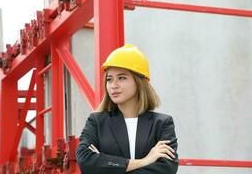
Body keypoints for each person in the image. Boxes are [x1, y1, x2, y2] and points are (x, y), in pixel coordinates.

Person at [76, 44, 178, 174]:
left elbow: (166, 169)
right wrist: (145, 161)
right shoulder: (96, 122)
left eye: (122, 78)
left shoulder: (162, 123)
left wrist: (105, 165)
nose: (114, 85)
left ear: (139, 82)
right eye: (109, 79)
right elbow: (86, 161)